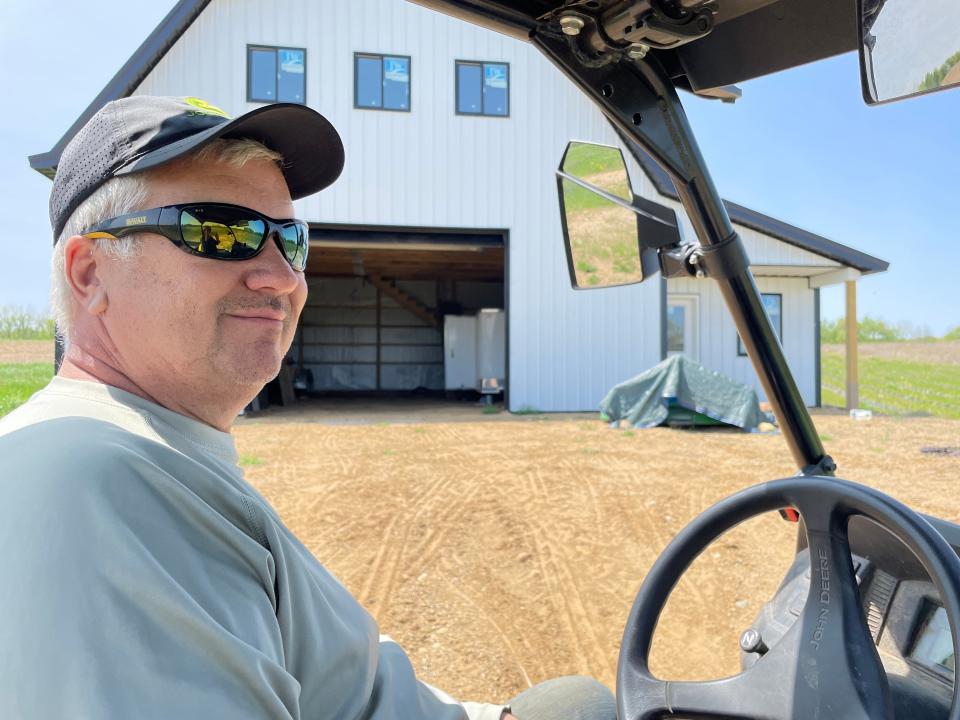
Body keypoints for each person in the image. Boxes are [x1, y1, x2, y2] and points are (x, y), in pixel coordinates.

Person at [0, 95, 616, 720]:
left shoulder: (159, 454)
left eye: (290, 240)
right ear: (90, 274)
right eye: (219, 233)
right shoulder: (97, 482)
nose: (281, 275)